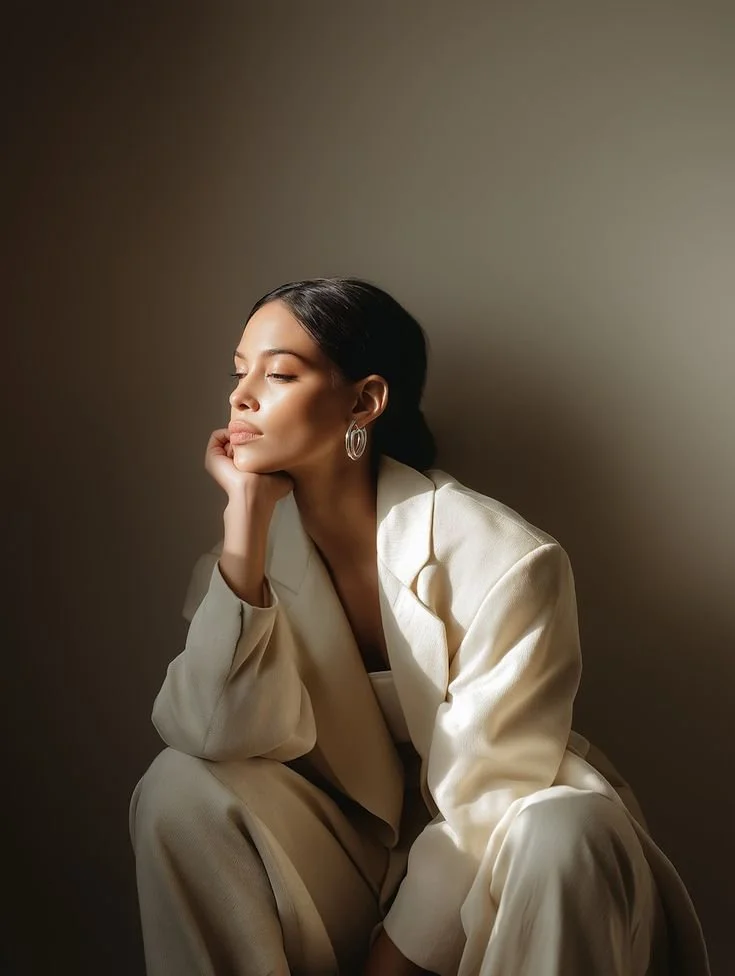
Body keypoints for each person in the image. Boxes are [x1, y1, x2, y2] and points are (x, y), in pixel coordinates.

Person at [130, 277, 709, 976]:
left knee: (564, 826)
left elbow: (487, 797)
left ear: (365, 401)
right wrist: (244, 522)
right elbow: (214, 734)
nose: (241, 394)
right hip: (349, 863)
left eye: (278, 372)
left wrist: (392, 961)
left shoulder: (505, 558)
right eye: (238, 369)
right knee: (176, 786)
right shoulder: (237, 568)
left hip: (504, 867)